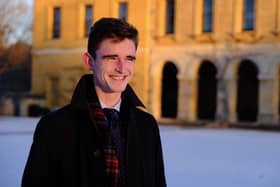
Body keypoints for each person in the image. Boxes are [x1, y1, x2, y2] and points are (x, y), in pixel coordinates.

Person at [22, 17, 166, 187]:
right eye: (112, 58)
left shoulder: (147, 126)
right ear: (90, 61)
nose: (122, 68)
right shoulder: (55, 128)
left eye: (129, 58)